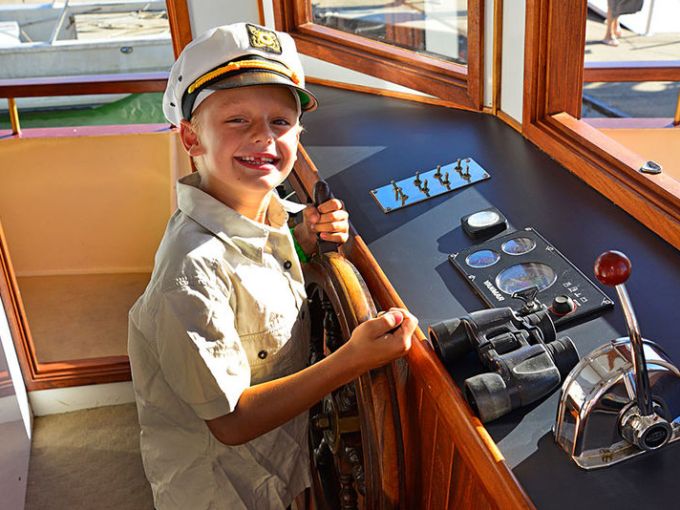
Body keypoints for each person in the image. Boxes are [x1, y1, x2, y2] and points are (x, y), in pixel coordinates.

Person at [127, 22, 417, 510]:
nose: (263, 137)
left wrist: (302, 242)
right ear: (190, 137)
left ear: (298, 134)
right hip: (220, 488)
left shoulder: (267, 210)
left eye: (280, 122)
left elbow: (262, 274)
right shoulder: (190, 274)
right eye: (237, 121)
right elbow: (233, 422)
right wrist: (351, 360)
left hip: (280, 460)